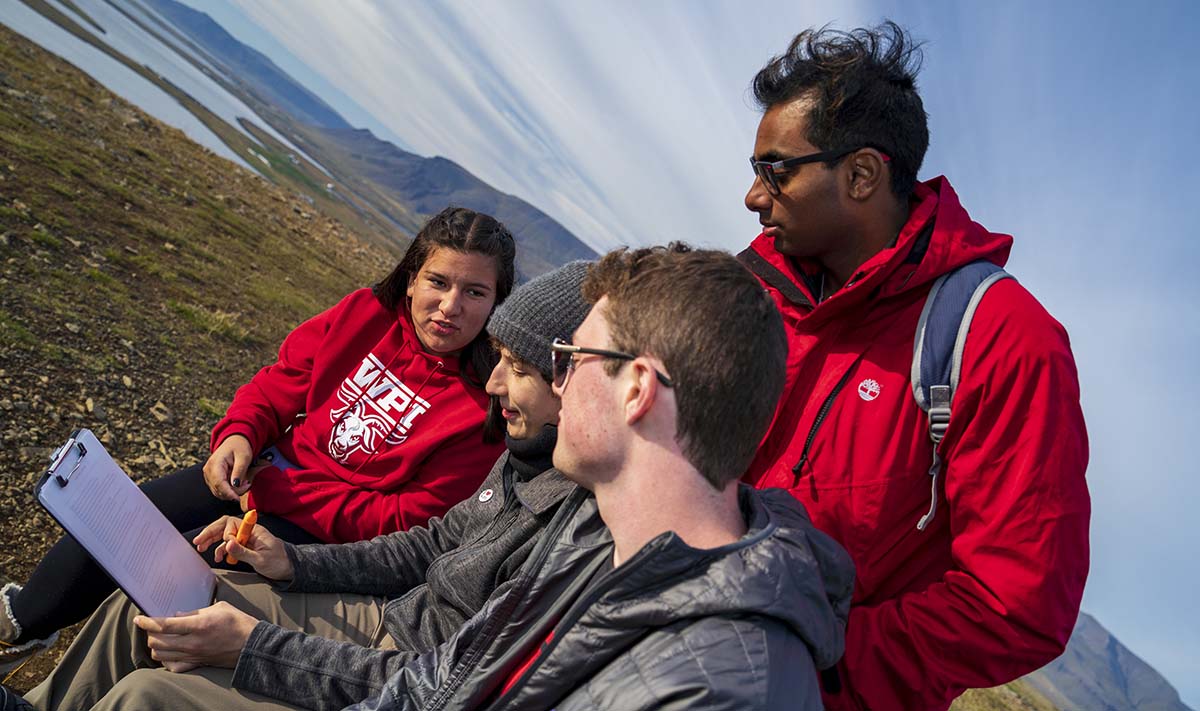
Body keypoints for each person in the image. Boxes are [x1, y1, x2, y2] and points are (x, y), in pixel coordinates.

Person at [21, 260, 594, 711]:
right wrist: (292, 558)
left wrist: (254, 646)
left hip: (394, 657)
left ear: (572, 386)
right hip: (385, 612)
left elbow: (448, 680)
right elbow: (434, 542)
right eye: (437, 281)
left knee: (147, 695)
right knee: (140, 606)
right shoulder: (526, 452)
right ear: (411, 276)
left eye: (519, 368)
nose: (495, 383)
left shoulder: (565, 516)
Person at [740, 22, 1091, 710]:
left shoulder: (1004, 340)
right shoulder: (752, 288)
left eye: (776, 171)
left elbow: (1018, 604)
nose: (754, 196)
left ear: (861, 175)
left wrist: (808, 661)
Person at [345, 244, 855, 709]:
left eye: (570, 360)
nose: (559, 386)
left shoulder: (717, 690)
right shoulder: (601, 543)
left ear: (637, 391)